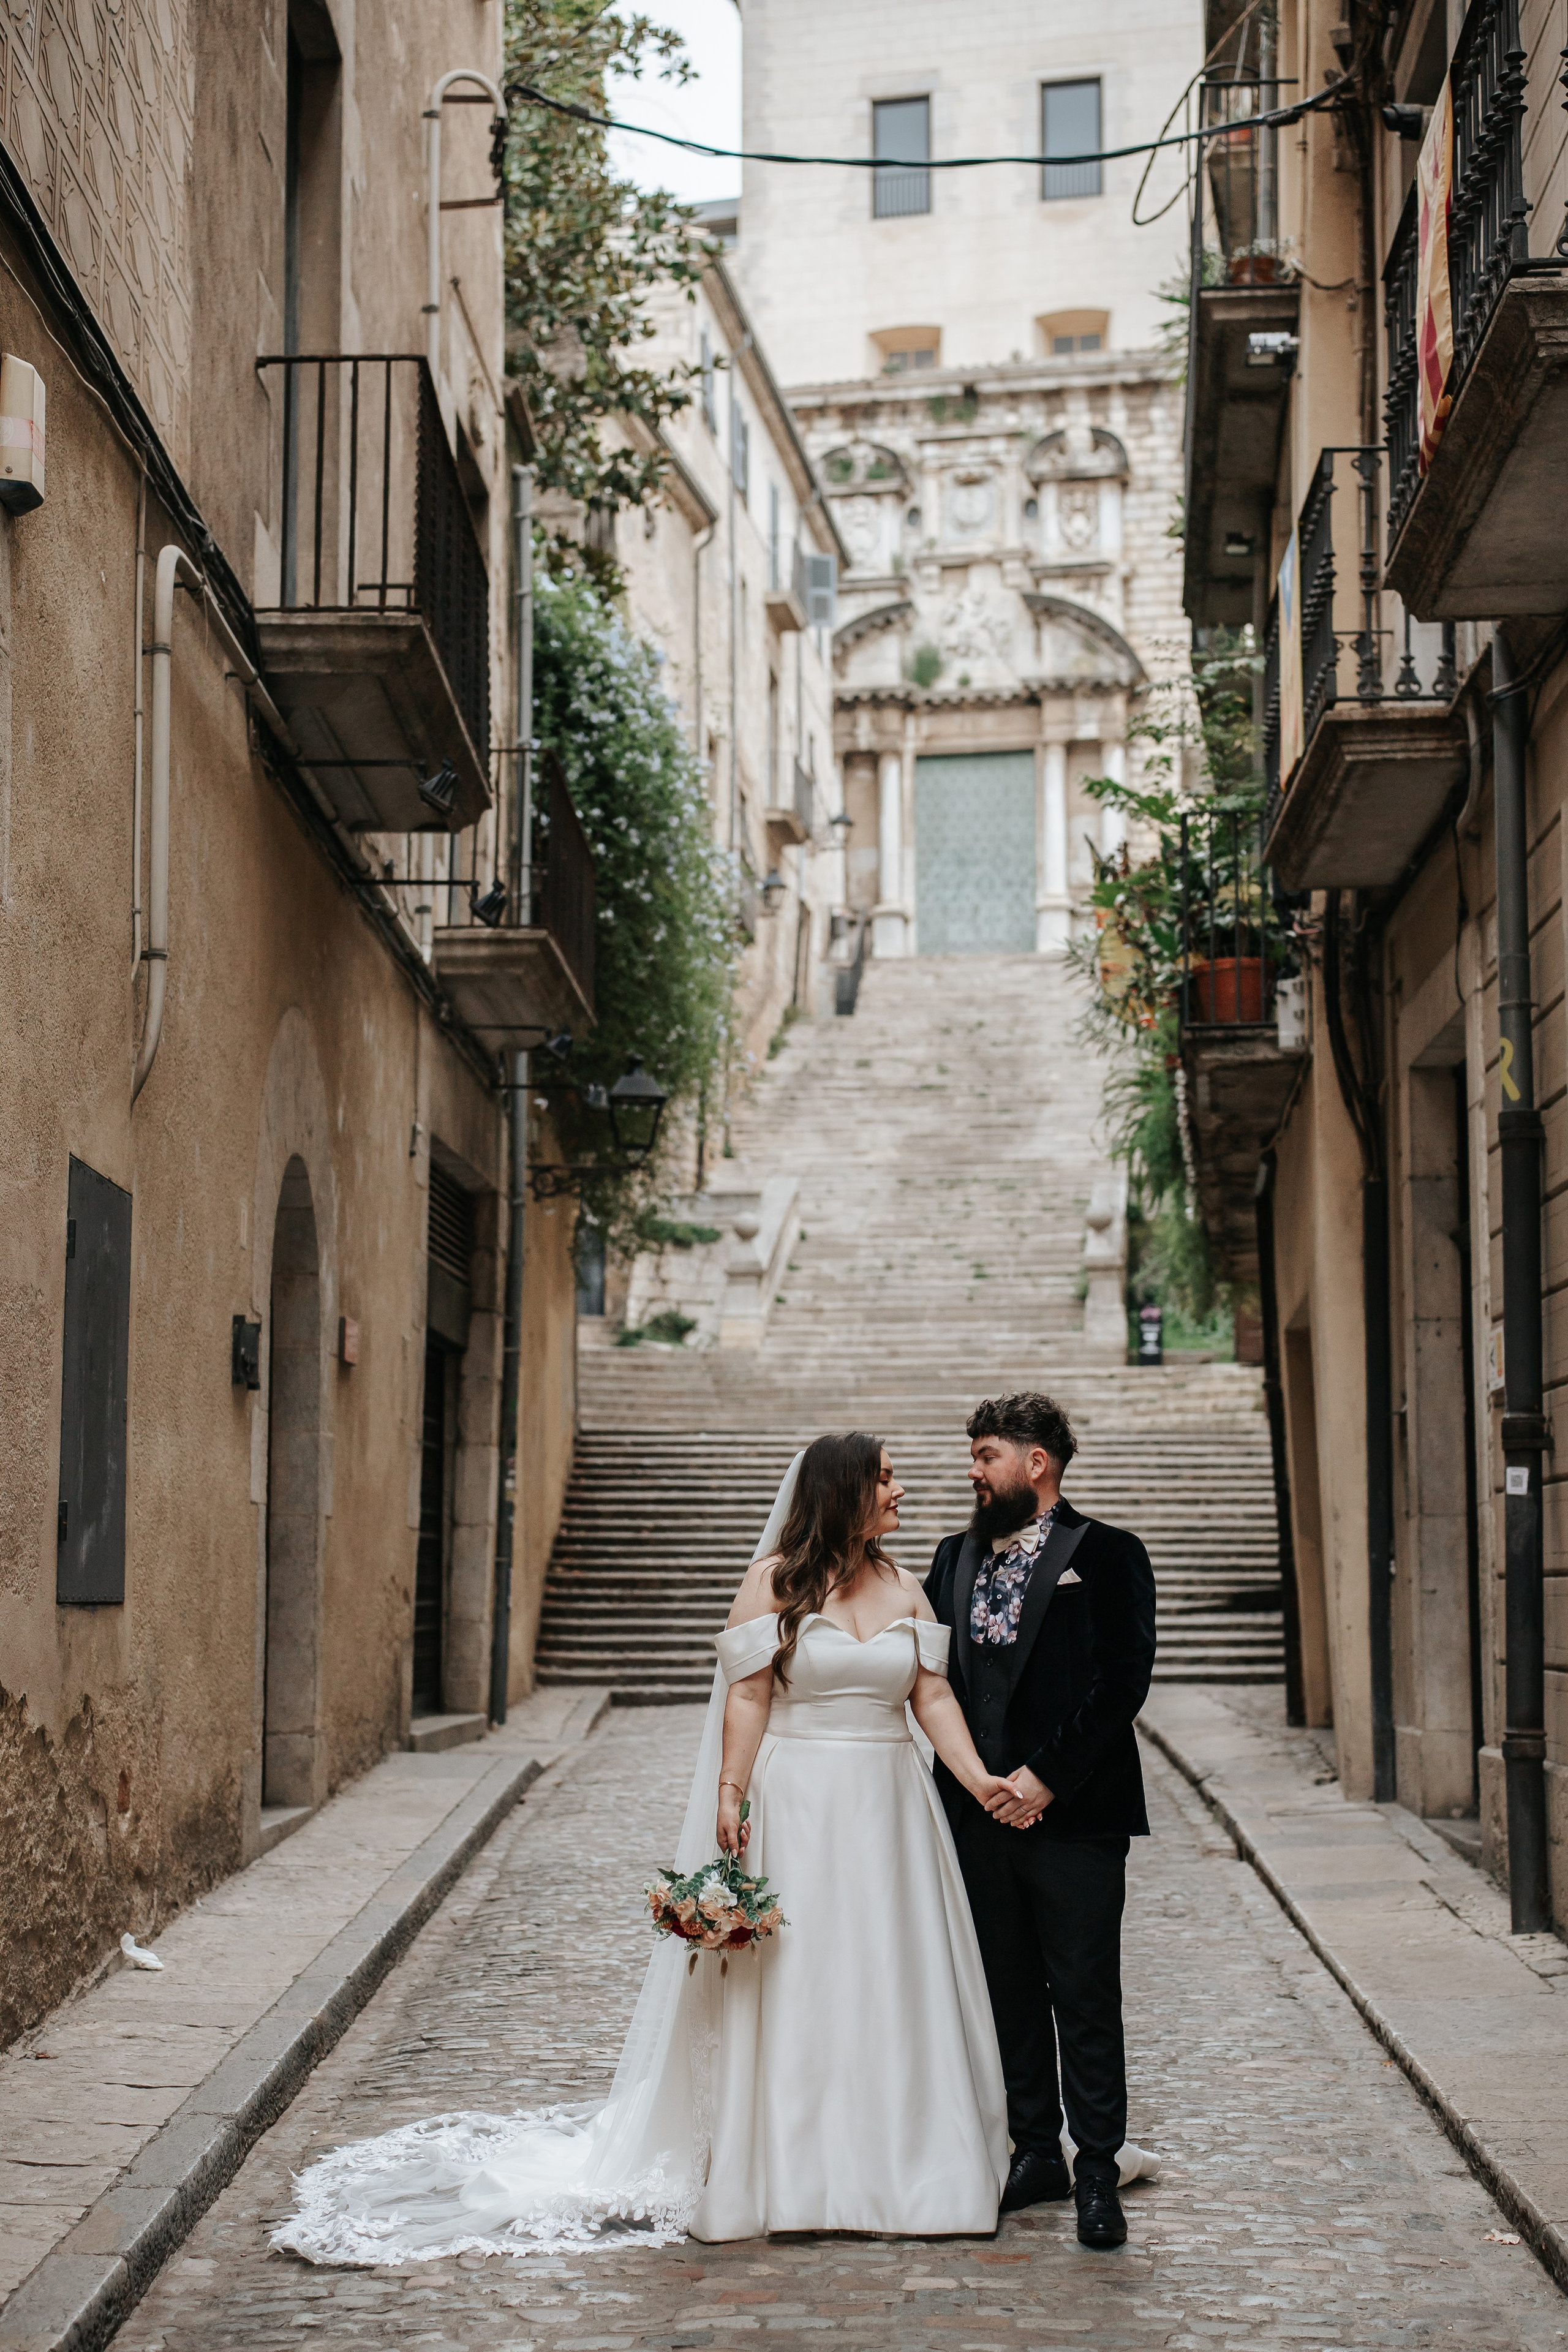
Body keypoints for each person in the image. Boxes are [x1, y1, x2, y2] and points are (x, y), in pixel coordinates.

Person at [273, 1433, 1025, 2263]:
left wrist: (979, 1777)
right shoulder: (774, 1584)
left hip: (891, 1812)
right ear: (843, 1491)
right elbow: (747, 1699)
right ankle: (787, 2172)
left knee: (890, 1973)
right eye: (885, 1478)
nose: (902, 1490)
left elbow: (933, 1696)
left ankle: (913, 2168)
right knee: (801, 1980)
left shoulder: (909, 1589)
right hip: (800, 1806)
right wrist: (731, 1794)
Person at [925, 1392, 1158, 2253]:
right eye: (973, 1457)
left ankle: (1097, 2172)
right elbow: (931, 1677)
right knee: (1009, 1994)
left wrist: (1045, 1778)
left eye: (986, 1455)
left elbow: (1121, 1681)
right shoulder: (949, 1558)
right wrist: (981, 1784)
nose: (972, 1472)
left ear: (1038, 1464)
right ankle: (1036, 2154)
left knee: (1086, 1997)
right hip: (975, 1817)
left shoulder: (1107, 1555)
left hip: (1076, 1820)